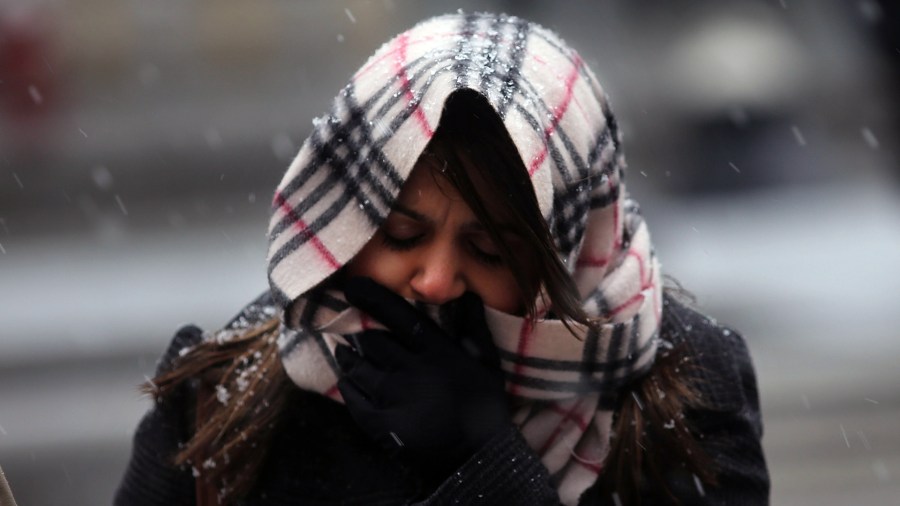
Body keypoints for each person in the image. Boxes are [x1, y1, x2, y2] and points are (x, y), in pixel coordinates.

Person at [115, 12, 769, 506]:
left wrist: (478, 459)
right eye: (400, 236)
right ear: (347, 218)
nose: (433, 281)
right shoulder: (227, 394)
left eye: (488, 249)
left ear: (562, 247)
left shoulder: (680, 388)